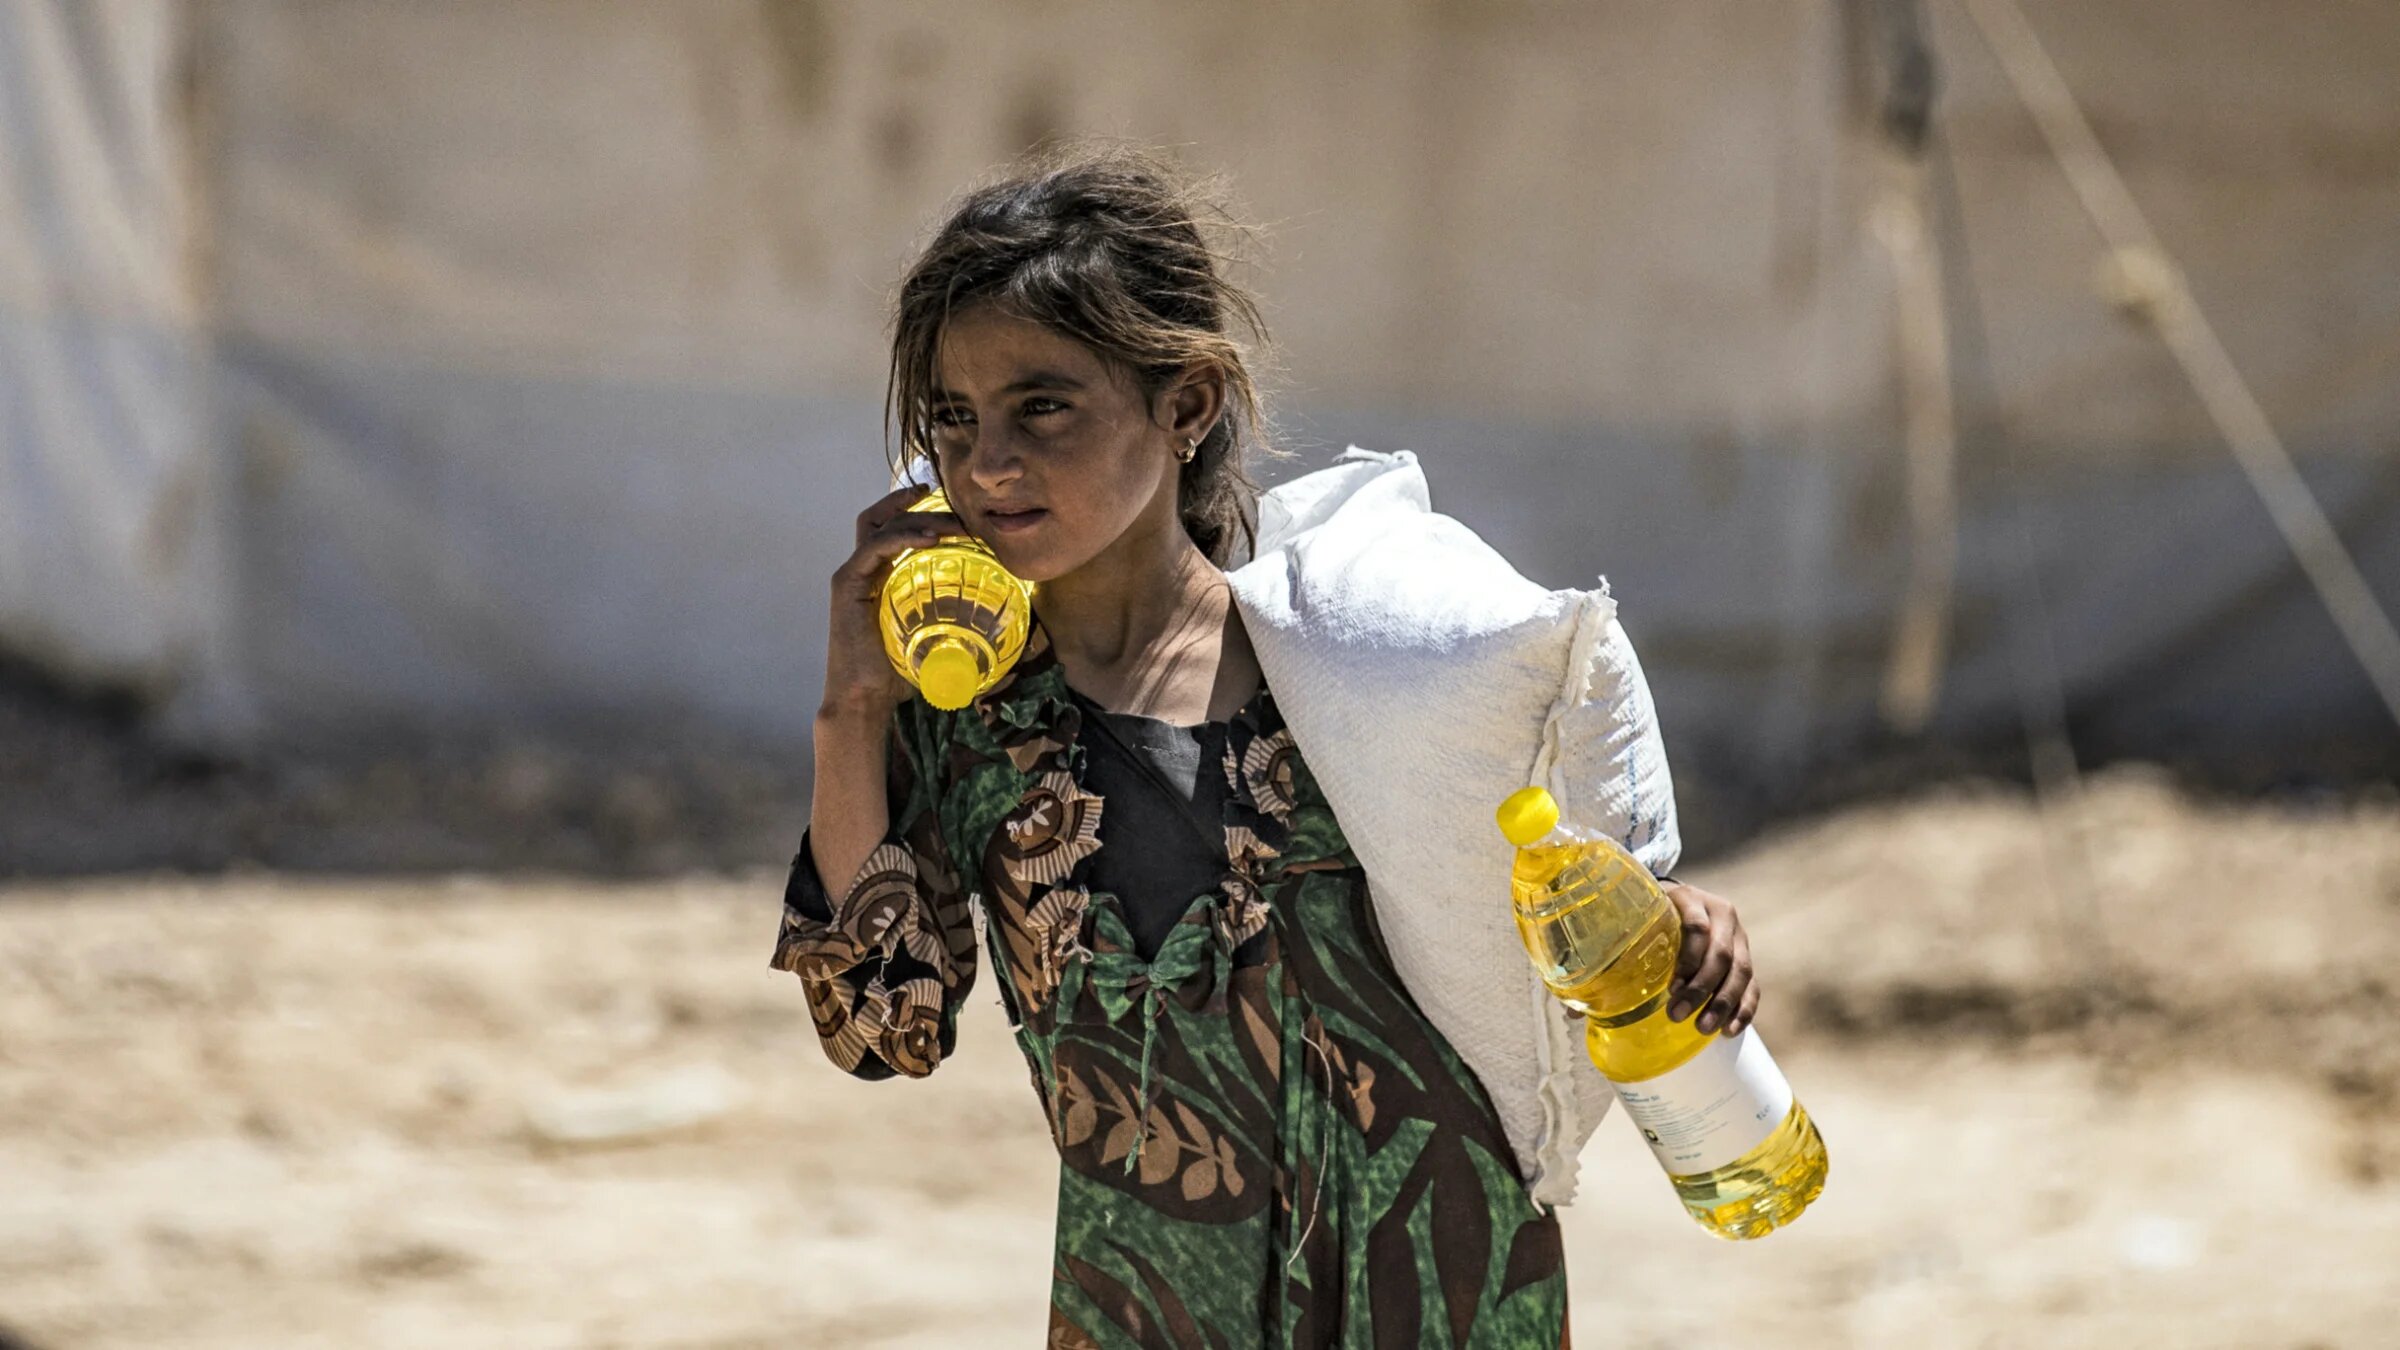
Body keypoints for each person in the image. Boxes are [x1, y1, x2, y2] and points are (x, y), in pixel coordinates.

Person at [775, 144, 1761, 1350]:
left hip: (1447, 1295)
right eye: (952, 418)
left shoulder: (1361, 670)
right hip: (1144, 1312)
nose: (987, 464)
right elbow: (884, 1032)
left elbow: (1545, 891)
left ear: (1184, 404)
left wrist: (1682, 925)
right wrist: (854, 708)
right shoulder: (967, 724)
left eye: (1043, 406)